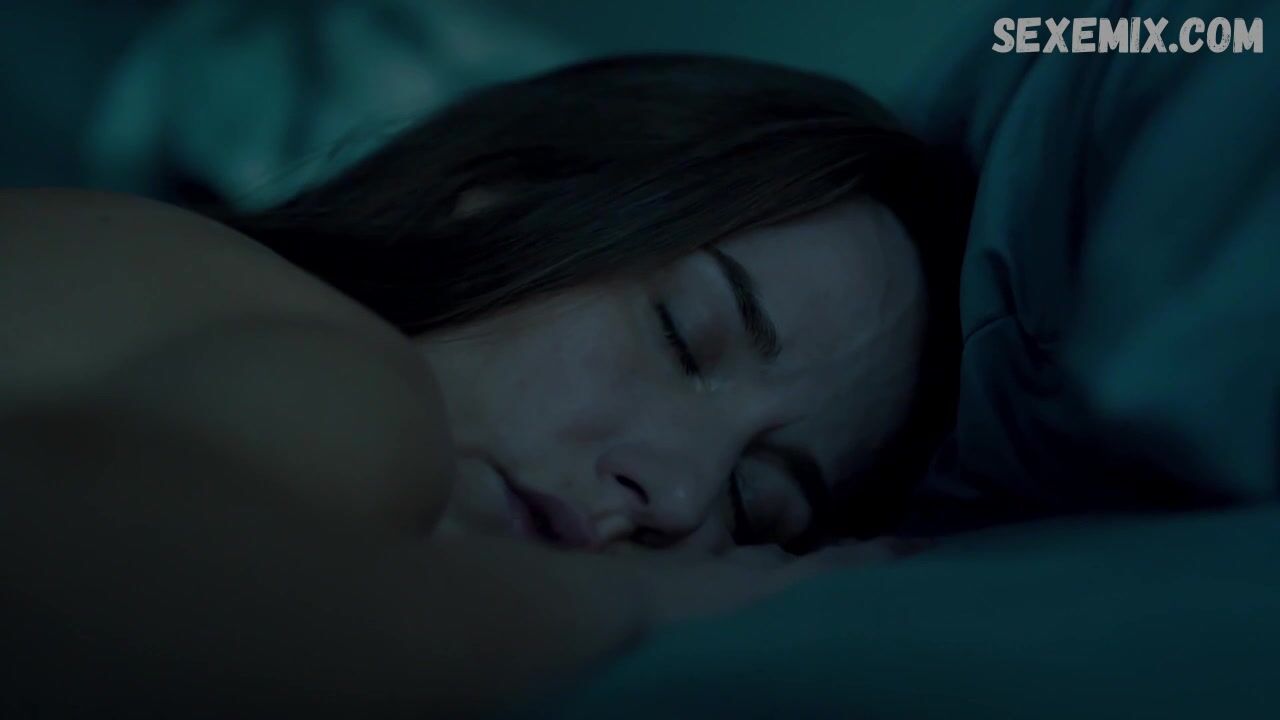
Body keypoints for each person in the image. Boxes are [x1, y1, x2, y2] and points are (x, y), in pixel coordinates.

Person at [1, 55, 966, 718]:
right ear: (504, 200)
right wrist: (637, 600)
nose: (678, 496)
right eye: (684, 337)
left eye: (754, 505)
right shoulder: (356, 380)